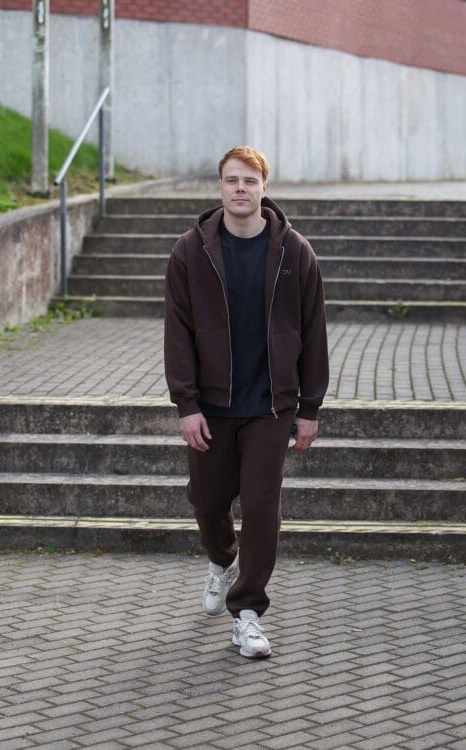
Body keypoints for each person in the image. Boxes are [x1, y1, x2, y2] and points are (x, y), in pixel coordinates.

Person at [164, 145, 329, 658]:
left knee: (261, 507)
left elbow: (313, 331)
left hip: (270, 407)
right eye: (232, 180)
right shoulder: (190, 251)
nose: (240, 189)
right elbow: (178, 332)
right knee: (207, 500)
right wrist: (186, 404)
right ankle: (222, 559)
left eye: (250, 181)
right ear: (220, 187)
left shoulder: (294, 251)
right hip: (212, 406)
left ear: (264, 187)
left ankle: (248, 612)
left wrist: (309, 407)